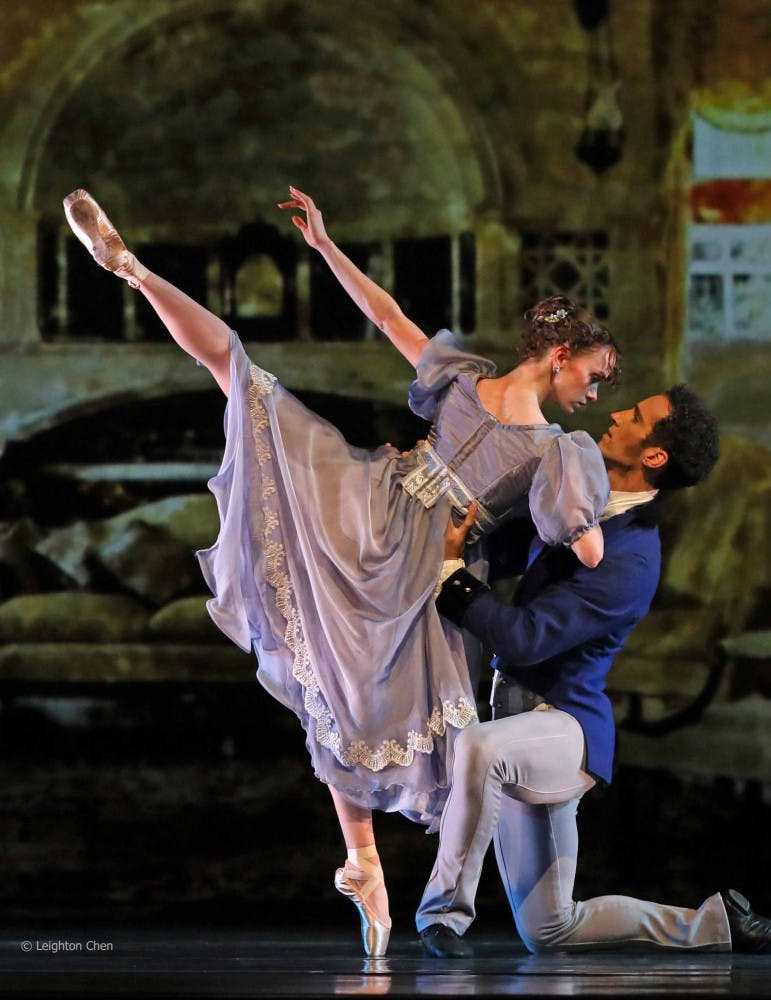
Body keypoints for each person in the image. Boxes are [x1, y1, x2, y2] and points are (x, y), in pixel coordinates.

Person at [62, 186, 618, 957]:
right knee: (249, 397)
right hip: (412, 541)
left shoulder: (481, 391)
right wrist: (609, 508)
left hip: (403, 532)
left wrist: (326, 246)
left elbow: (390, 317)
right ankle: (130, 267)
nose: (598, 390)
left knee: (356, 686)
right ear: (561, 355)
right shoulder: (556, 447)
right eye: (597, 372)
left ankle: (365, 862)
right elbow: (584, 544)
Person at [418, 386, 771, 957]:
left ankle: (443, 917)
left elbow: (524, 639)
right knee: (549, 929)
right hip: (516, 715)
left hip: (565, 727)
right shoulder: (577, 499)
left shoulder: (631, 560)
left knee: (479, 747)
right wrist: (420, 504)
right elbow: (497, 551)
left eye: (636, 417)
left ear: (653, 456)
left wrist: (452, 576)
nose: (617, 414)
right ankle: (720, 923)